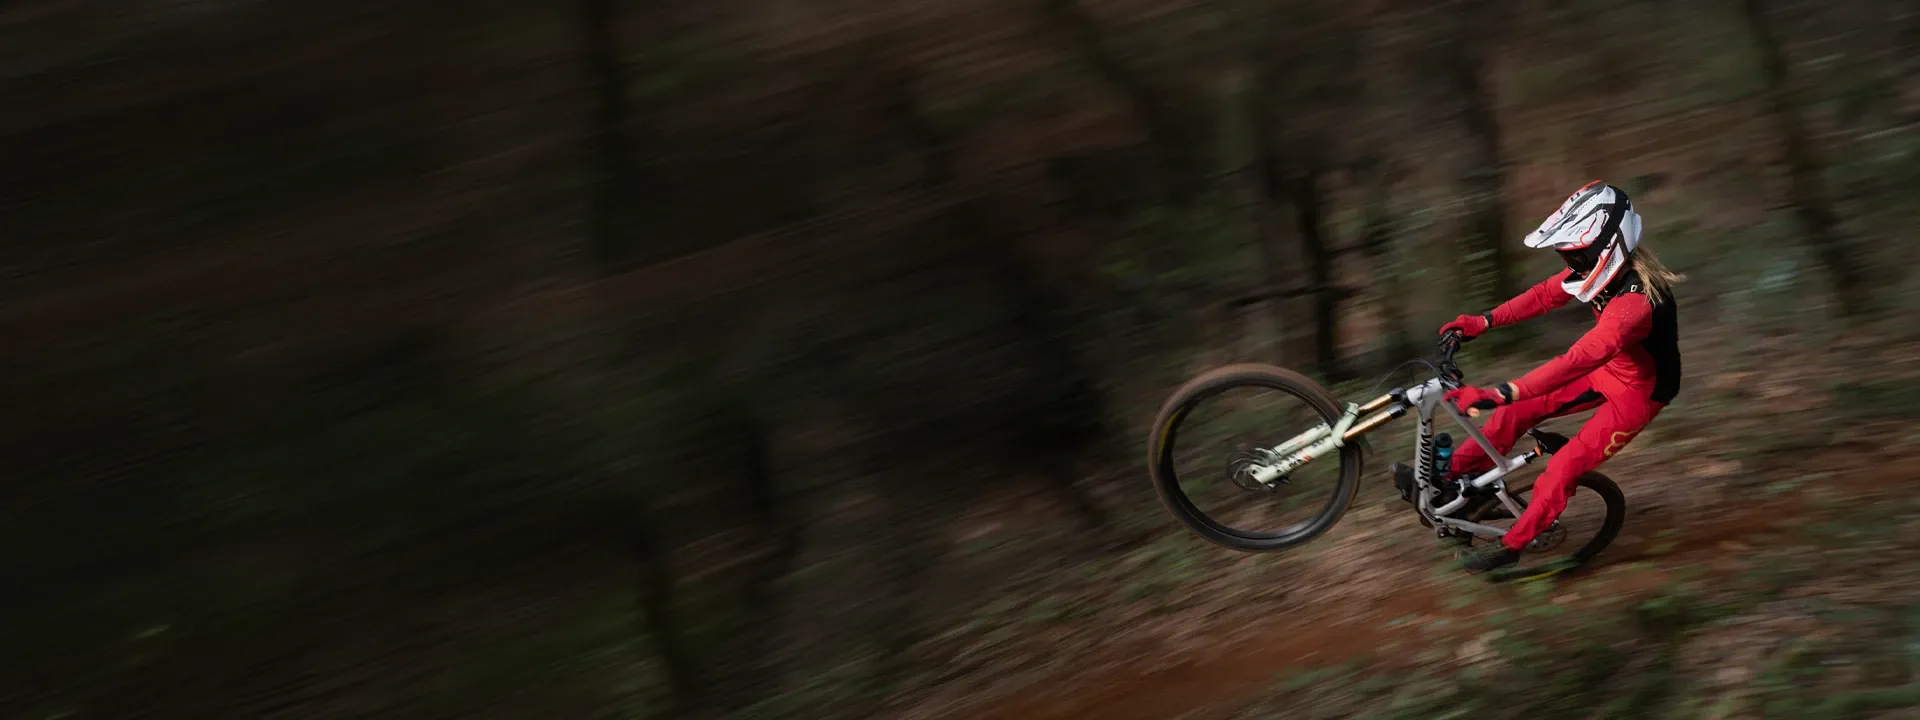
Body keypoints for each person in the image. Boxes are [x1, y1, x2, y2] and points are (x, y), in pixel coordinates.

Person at [1436, 181, 1683, 572]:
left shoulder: (1634, 304)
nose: (1572, 265)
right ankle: (1454, 480)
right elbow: (1543, 295)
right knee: (1512, 415)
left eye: (1578, 256)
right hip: (1608, 370)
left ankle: (1514, 547)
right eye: (1568, 256)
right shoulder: (1601, 273)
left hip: (1638, 394)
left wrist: (1501, 391)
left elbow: (1576, 360)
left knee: (1564, 467)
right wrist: (1483, 321)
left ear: (1607, 247)